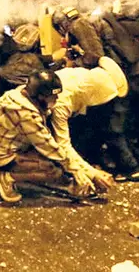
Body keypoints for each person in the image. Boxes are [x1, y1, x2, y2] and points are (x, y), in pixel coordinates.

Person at [0, 71, 96, 203]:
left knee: (57, 160)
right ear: (39, 96)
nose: (56, 100)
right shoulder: (26, 113)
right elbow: (48, 146)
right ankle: (7, 178)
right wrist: (77, 171)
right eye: (52, 97)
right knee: (52, 169)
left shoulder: (21, 92)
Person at [50, 52, 126, 188]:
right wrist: (92, 173)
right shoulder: (62, 102)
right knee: (51, 169)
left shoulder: (82, 75)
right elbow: (63, 145)